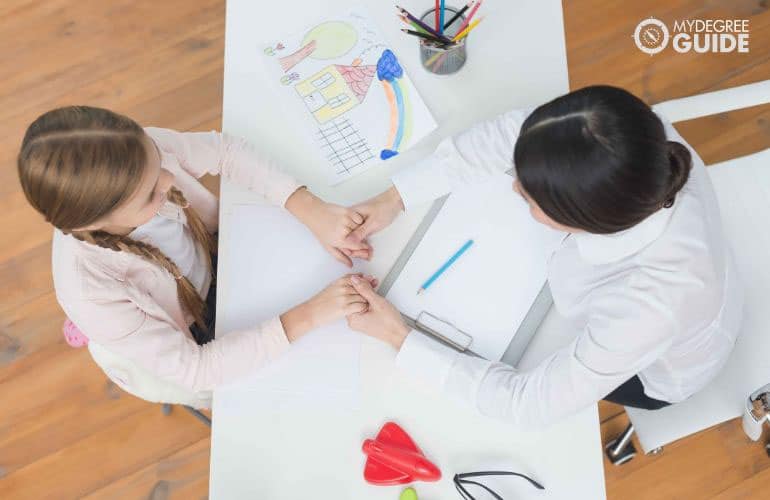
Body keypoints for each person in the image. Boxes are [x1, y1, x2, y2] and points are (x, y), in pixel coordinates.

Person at [343, 85, 744, 428]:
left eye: (531, 195)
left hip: (654, 370)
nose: (514, 186)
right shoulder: (632, 137)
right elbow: (511, 137)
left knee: (523, 352)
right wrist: (394, 199)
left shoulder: (651, 306)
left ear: (580, 219)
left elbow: (530, 405)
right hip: (688, 294)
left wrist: (399, 336)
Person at [17, 105, 375, 393]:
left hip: (215, 258)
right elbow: (196, 370)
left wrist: (309, 208)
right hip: (191, 328)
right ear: (92, 222)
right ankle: (102, 338)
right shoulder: (91, 293)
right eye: (151, 194)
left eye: (159, 162)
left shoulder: (137, 155)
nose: (170, 180)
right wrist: (311, 314)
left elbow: (226, 151)